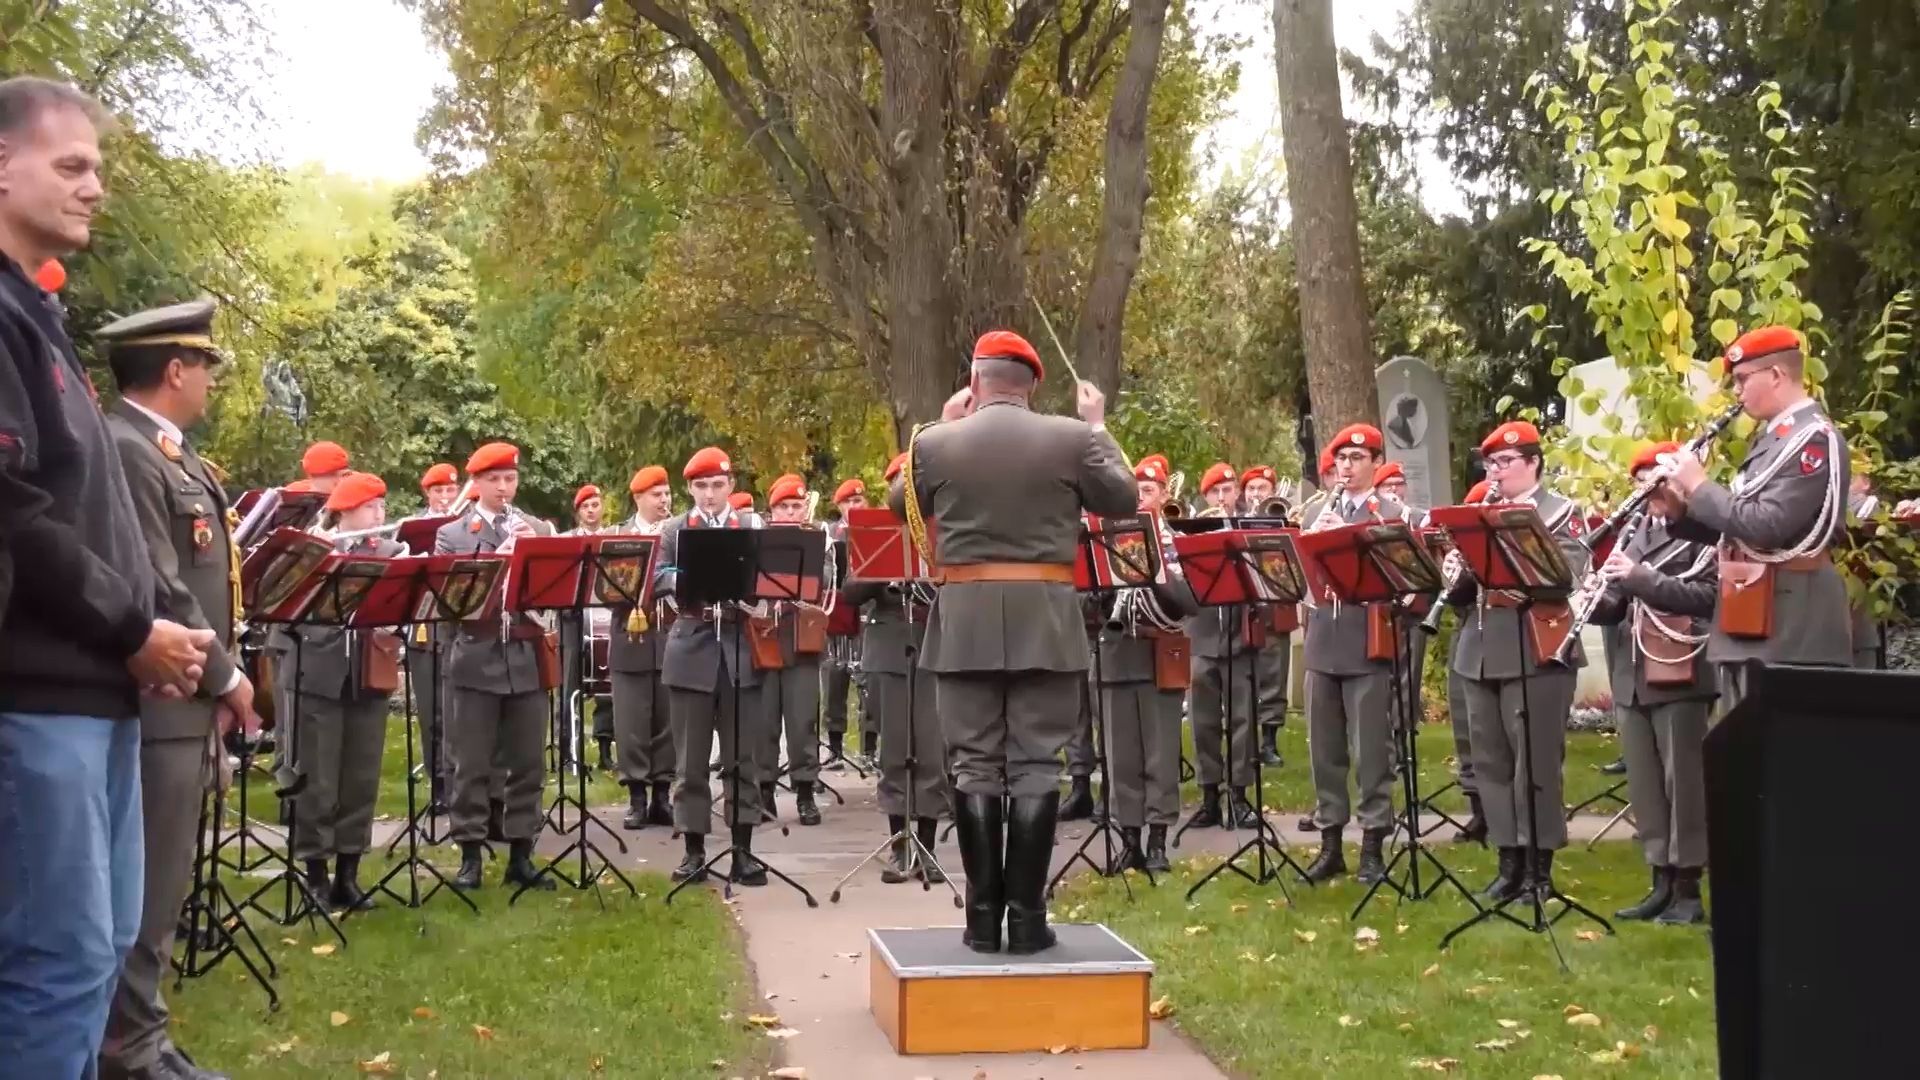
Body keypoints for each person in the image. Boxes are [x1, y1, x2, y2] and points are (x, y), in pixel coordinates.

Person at [0, 76, 214, 1079]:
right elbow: (15, 512)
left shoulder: (36, 313)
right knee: (57, 955)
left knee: (93, 955)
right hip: (43, 691)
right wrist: (135, 628)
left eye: (98, 169)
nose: (95, 190)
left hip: (102, 693)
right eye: (71, 166)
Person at [890, 329, 1135, 954]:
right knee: (1035, 764)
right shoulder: (1073, 439)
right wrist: (1099, 424)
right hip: (1046, 623)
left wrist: (935, 426)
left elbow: (899, 506)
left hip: (966, 622)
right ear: (1033, 386)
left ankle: (979, 921)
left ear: (975, 382)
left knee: (973, 763)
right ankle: (1026, 921)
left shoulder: (936, 443)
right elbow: (1124, 498)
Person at [99, 296, 256, 1080]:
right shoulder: (129, 450)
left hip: (184, 695)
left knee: (164, 878)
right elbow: (161, 583)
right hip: (164, 694)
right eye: (204, 368)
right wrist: (229, 677)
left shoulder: (171, 453)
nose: (209, 383)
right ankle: (131, 1048)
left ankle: (143, 1035)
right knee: (149, 881)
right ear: (174, 369)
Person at [1663, 325, 1852, 710]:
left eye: (1743, 379)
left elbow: (1768, 526)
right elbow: (1741, 529)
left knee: (1785, 759)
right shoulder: (1773, 438)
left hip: (1793, 626)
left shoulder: (1812, 438)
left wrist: (1699, 485)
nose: (1737, 392)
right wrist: (1680, 509)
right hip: (1752, 614)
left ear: (1778, 375)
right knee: (1742, 759)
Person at [1446, 421, 1590, 900]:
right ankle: (1507, 858)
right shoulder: (1479, 512)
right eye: (1491, 463)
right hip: (1482, 647)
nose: (1497, 471)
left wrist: (1509, 549)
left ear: (1533, 463)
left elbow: (1566, 575)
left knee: (1535, 762)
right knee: (1490, 761)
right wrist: (1458, 569)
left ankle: (1539, 866)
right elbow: (1462, 596)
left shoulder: (1560, 512)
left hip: (1535, 646)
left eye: (1507, 462)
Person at [1588, 441, 1717, 926]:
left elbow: (1707, 596)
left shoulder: (1702, 534)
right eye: (1642, 483)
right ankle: (1659, 878)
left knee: (1683, 784)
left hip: (1680, 667)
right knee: (1645, 785)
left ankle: (1689, 888)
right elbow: (1617, 603)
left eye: (1657, 482)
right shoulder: (1633, 531)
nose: (1649, 493)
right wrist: (1597, 596)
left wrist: (1638, 578)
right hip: (1633, 670)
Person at [435, 441, 556, 892]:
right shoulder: (455, 534)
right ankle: (469, 854)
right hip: (476, 656)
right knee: (471, 761)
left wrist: (535, 551)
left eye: (510, 479)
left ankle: (522, 856)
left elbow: (553, 593)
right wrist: (503, 552)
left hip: (524, 656)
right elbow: (455, 603)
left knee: (527, 761)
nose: (504, 488)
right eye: (494, 480)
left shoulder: (538, 528)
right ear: (478, 484)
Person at [287, 472, 403, 911]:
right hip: (316, 674)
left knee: (360, 776)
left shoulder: (390, 552)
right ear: (347, 512)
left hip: (367, 674)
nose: (380, 515)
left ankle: (348, 877)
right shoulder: (313, 551)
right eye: (372, 507)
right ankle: (315, 874)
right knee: (317, 778)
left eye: (381, 506)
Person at [655, 446, 770, 885]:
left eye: (717, 485)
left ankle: (743, 852)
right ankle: (694, 851)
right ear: (690, 489)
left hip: (739, 645)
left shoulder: (749, 526)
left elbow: (770, 577)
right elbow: (655, 577)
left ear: (731, 487)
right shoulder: (675, 528)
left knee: (742, 757)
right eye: (701, 486)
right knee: (690, 758)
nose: (709, 494)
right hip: (692, 643)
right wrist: (687, 575)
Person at [1299, 424, 1403, 884]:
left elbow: (1403, 580)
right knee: (1325, 752)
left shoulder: (1391, 513)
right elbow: (1300, 586)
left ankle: (1374, 845)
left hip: (1366, 642)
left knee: (1371, 752)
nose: (1347, 466)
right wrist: (1312, 545)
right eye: (1341, 459)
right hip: (1323, 642)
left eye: (1358, 459)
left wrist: (1348, 538)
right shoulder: (1317, 512)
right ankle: (1330, 843)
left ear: (1376, 464)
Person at [845, 454, 949, 881]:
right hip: (889, 645)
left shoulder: (948, 527)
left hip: (935, 643)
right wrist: (881, 565)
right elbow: (850, 593)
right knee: (893, 750)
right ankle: (898, 845)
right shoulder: (876, 529)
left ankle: (926, 848)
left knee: (930, 750)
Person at [1096, 455, 1200, 871]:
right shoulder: (1108, 544)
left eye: (1149, 491)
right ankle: (1129, 840)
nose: (1141, 498)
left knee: (1160, 751)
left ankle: (1158, 839)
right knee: (1121, 755)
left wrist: (1156, 569)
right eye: (1135, 491)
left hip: (1161, 653)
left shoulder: (1175, 544)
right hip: (1118, 653)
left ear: (1164, 496)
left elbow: (1189, 603)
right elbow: (1092, 601)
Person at [755, 473, 825, 826]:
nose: (792, 512)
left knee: (802, 722)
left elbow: (827, 585)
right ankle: (764, 789)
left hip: (802, 642)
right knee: (764, 722)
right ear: (772, 510)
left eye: (797, 506)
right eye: (784, 506)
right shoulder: (758, 542)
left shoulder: (818, 542)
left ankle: (805, 792)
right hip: (766, 639)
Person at [608, 465, 675, 829]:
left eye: (666, 493)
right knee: (631, 721)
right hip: (630, 636)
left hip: (669, 635)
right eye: (656, 494)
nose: (664, 500)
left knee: (667, 720)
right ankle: (636, 796)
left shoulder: (677, 534)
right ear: (638, 498)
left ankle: (662, 795)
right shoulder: (618, 535)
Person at [405, 462, 460, 810]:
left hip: (455, 627)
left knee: (458, 708)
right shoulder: (413, 529)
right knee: (431, 710)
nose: (444, 497)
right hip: (425, 627)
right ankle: (438, 783)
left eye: (450, 490)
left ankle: (460, 779)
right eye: (438, 491)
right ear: (427, 493)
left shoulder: (465, 525)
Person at [1442, 478, 1491, 843]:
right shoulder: (1462, 550)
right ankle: (1478, 811)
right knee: (1464, 725)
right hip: (1468, 631)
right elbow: (1457, 598)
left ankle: (1503, 815)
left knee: (1494, 735)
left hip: (1502, 633)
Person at [1240, 463, 1292, 767]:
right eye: (1252, 489)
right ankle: (1245, 742)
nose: (1257, 494)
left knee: (1274, 674)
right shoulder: (1234, 522)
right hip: (1244, 609)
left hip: (1275, 608)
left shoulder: (1284, 519)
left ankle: (1269, 742)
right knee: (1245, 676)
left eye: (1262, 489)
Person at [560, 483, 615, 773]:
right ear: (578, 511)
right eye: (586, 506)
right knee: (570, 686)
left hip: (604, 618)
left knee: (607, 686)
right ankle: (569, 753)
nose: (592, 511)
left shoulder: (611, 540)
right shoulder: (567, 540)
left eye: (595, 505)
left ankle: (606, 750)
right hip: (573, 619)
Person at [821, 477, 869, 768]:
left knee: (868, 680)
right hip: (838, 613)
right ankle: (835, 748)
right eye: (847, 501)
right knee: (833, 677)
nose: (853, 506)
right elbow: (825, 574)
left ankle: (869, 749)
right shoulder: (830, 533)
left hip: (868, 610)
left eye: (858, 500)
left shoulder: (876, 528)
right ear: (838, 505)